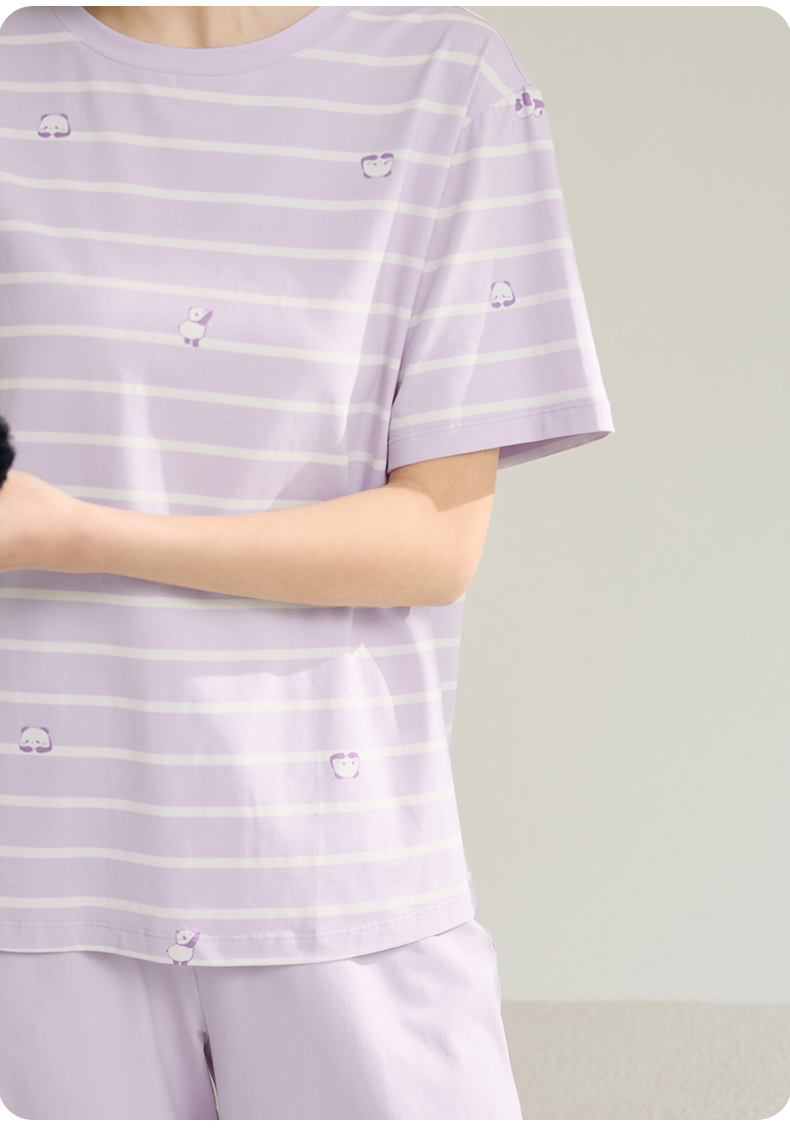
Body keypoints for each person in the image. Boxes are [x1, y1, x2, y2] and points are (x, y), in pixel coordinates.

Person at [0, 4, 614, 1120]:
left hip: (340, 872)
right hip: (36, 883)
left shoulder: (451, 83)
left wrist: (76, 534)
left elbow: (432, 540)